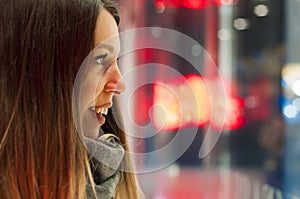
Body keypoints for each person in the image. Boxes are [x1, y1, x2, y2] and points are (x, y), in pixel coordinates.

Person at [0, 0, 141, 198]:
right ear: (42, 73)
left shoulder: (115, 182)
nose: (120, 85)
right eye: (100, 59)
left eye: (115, 60)